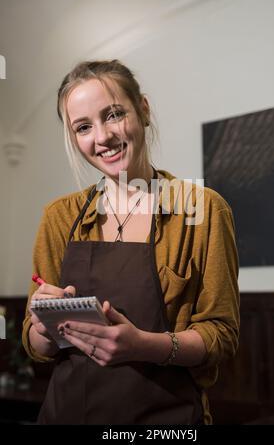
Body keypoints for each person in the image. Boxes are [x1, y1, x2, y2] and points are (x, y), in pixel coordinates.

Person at [22, 60, 239, 425]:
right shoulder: (59, 218)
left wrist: (142, 345)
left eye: (114, 114)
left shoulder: (202, 211)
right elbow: (36, 345)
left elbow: (222, 335)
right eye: (84, 127)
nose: (103, 137)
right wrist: (42, 328)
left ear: (144, 110)